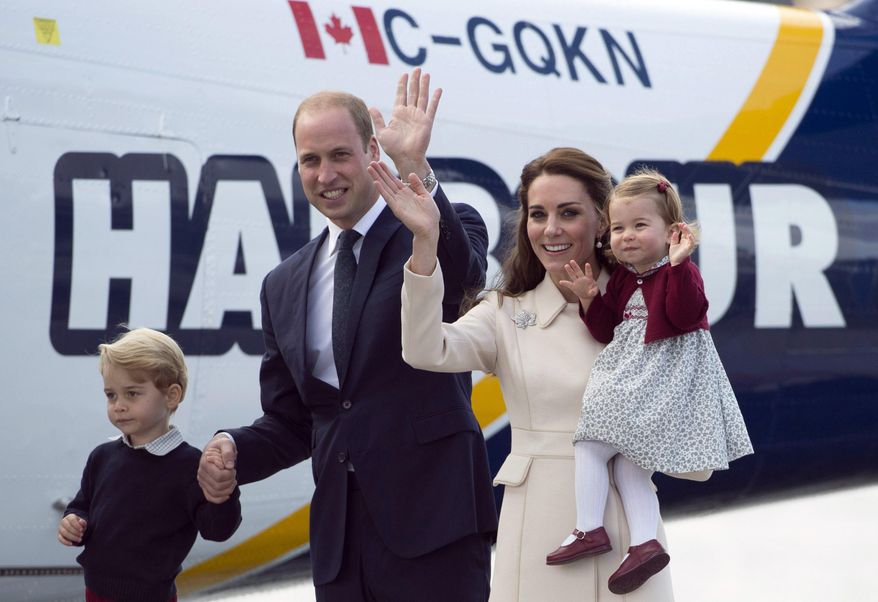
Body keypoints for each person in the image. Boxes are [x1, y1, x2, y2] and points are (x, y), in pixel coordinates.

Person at [196, 69, 497, 602]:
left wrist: (416, 169)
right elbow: (296, 421)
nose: (325, 173)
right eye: (310, 160)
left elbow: (465, 274)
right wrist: (233, 450)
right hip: (340, 548)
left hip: (435, 531)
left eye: (340, 154)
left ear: (372, 151)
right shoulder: (283, 285)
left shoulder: (430, 229)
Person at [378, 147, 678, 601]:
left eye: (569, 213)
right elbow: (425, 349)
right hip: (539, 536)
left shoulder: (648, 307)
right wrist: (424, 242)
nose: (551, 229)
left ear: (602, 222)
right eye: (538, 214)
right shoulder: (503, 313)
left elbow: (687, 411)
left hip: (629, 542)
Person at [547, 169, 753, 594]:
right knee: (627, 463)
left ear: (673, 232)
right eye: (619, 228)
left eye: (640, 226)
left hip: (659, 380)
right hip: (638, 374)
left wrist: (679, 267)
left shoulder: (681, 273)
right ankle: (644, 544)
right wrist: (589, 297)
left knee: (590, 441)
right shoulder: (624, 278)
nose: (626, 237)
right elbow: (606, 330)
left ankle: (590, 529)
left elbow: (684, 314)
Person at [58, 327, 241, 602]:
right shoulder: (102, 456)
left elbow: (217, 530)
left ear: (172, 395)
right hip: (94, 592)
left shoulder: (190, 466)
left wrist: (224, 491)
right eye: (111, 395)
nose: (118, 405)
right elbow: (83, 505)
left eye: (132, 393)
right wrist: (74, 522)